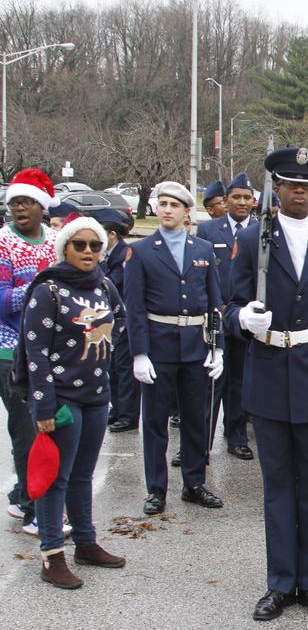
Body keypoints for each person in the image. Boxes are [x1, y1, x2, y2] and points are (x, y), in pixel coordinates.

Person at [225, 146, 308, 622]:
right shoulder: (254, 238)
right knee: (278, 486)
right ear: (277, 188)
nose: (299, 191)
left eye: (307, 185)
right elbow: (228, 305)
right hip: (267, 372)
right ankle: (280, 583)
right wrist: (242, 317)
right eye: (290, 184)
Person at [23, 215, 128, 588]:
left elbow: (120, 321)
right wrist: (44, 407)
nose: (88, 251)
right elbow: (35, 351)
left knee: (83, 474)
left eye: (95, 245)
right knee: (57, 478)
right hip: (63, 400)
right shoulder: (48, 290)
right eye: (79, 244)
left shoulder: (103, 285)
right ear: (64, 247)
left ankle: (85, 542)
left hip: (97, 397)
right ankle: (52, 556)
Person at [124, 181, 225, 515]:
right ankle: (156, 489)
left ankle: (194, 483)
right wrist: (139, 353)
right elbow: (134, 306)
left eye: (174, 205)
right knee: (155, 421)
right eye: (162, 203)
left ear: (186, 212)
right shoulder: (140, 251)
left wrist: (218, 348)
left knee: (196, 419)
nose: (167, 209)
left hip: (195, 345)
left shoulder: (202, 249)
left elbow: (214, 303)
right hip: (159, 344)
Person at [0, 169, 59, 533]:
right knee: (26, 428)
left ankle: (29, 492)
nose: (19, 208)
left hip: (52, 350)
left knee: (53, 426)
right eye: (14, 203)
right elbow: (2, 300)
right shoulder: (3, 242)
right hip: (9, 350)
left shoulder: (56, 241)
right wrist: (38, 289)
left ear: (41, 206)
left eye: (26, 202)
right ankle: (31, 506)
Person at [196, 172, 257, 461]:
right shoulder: (208, 230)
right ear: (226, 200)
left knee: (240, 381)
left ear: (254, 202)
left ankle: (236, 438)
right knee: (211, 382)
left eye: (246, 197)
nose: (241, 202)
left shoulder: (261, 230)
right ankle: (201, 442)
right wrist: (214, 305)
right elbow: (201, 273)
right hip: (217, 317)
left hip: (246, 318)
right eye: (236, 197)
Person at [95, 208, 141, 434]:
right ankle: (118, 408)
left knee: (125, 370)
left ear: (111, 234)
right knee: (112, 367)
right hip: (109, 321)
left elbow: (115, 285)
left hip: (125, 320)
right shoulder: (108, 255)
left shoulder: (125, 255)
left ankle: (129, 415)